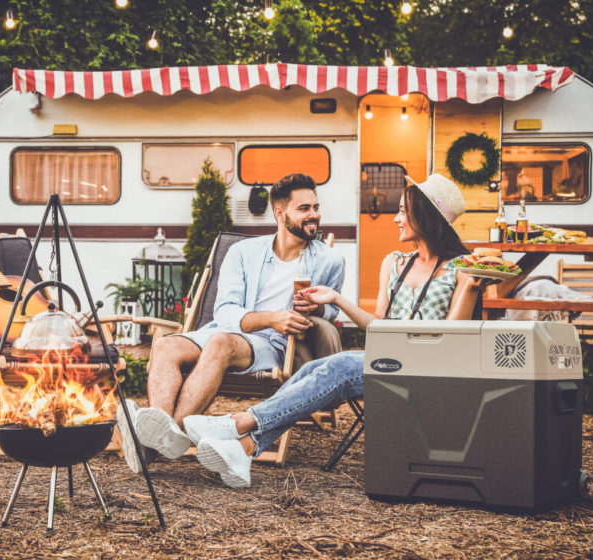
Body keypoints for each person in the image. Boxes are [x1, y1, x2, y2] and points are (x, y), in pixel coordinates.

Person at [183, 173, 487, 488]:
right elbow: (379, 327)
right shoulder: (395, 263)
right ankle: (244, 450)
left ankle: (238, 423)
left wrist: (471, 290)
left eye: (403, 212)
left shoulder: (463, 267)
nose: (396, 218)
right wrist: (336, 299)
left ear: (426, 217)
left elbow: (455, 337)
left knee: (341, 365)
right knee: (315, 368)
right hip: (392, 360)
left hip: (431, 367)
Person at [117, 173, 346, 473]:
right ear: (280, 212)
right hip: (224, 331)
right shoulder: (243, 252)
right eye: (304, 208)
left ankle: (152, 444)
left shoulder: (329, 261)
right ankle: (163, 437)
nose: (314, 215)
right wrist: (272, 318)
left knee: (220, 343)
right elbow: (224, 313)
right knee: (164, 346)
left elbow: (330, 313)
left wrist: (318, 308)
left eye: (316, 207)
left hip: (274, 345)